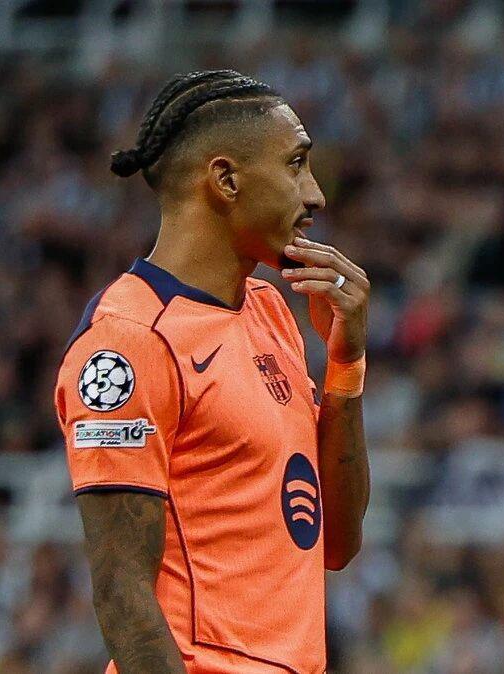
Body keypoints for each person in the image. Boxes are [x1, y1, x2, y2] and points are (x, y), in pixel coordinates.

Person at [52, 69, 370, 674]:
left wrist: (345, 364)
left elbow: (338, 543)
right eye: (296, 165)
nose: (316, 196)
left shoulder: (268, 311)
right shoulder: (128, 343)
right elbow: (122, 594)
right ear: (225, 180)